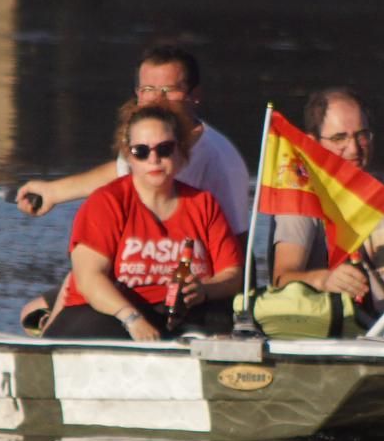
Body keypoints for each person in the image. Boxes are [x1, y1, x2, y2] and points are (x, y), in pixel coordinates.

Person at [43, 104, 244, 340]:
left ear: (181, 151)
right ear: (128, 156)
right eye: (141, 151)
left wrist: (204, 290)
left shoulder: (204, 204)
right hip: (110, 313)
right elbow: (89, 278)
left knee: (223, 324)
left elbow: (232, 275)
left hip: (181, 314)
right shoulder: (106, 202)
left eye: (165, 149)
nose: (154, 159)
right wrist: (131, 318)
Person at [16, 44, 250, 239]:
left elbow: (236, 243)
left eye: (169, 90)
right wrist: (53, 192)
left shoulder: (219, 158)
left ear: (195, 95)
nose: (158, 99)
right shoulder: (142, 134)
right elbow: (120, 173)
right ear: (138, 94)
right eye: (149, 89)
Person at [269, 88, 384, 310]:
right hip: (320, 325)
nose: (354, 148)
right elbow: (281, 280)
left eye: (362, 135)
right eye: (340, 138)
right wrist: (324, 280)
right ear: (312, 144)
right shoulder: (299, 197)